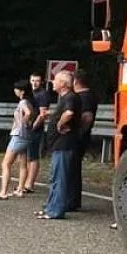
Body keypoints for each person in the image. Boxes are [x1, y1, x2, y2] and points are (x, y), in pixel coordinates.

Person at [37, 70, 82, 220]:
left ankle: (56, 210)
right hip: (58, 144)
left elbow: (69, 113)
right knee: (55, 177)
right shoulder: (64, 97)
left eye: (55, 80)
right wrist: (53, 115)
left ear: (63, 84)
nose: (52, 82)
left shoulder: (70, 97)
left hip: (64, 144)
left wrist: (60, 124)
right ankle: (51, 206)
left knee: (60, 178)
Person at [0, 80, 38, 200]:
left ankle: (3, 191)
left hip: (19, 135)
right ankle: (20, 189)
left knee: (6, 163)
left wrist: (23, 123)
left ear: (22, 91)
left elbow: (28, 113)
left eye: (16, 89)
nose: (15, 91)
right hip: (27, 136)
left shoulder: (23, 102)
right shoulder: (30, 102)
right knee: (22, 163)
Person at [68, 69, 98, 211]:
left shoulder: (84, 97)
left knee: (72, 169)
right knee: (73, 168)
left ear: (75, 81)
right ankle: (72, 200)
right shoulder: (87, 96)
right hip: (80, 137)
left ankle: (72, 200)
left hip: (78, 138)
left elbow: (87, 117)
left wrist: (78, 133)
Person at [23, 72, 52, 193]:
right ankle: (25, 182)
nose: (34, 83)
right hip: (27, 127)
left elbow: (42, 114)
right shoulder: (30, 93)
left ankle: (30, 184)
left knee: (33, 156)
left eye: (37, 81)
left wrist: (34, 126)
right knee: (27, 155)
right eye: (33, 80)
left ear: (42, 82)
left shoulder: (43, 94)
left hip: (35, 128)